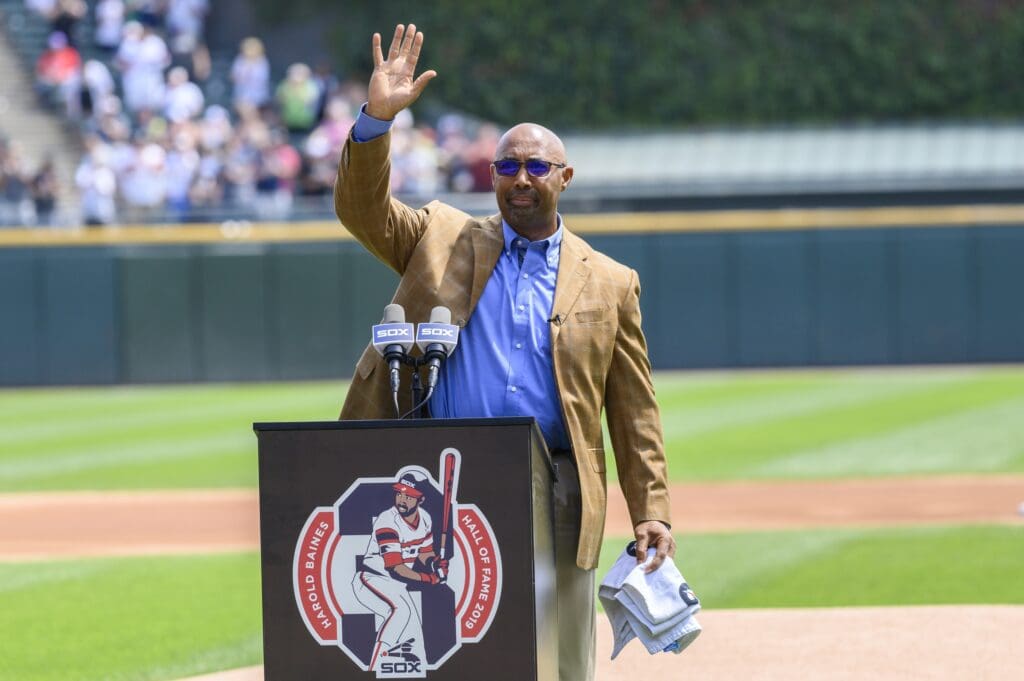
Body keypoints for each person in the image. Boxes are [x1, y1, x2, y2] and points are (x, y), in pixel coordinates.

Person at [334, 24, 674, 681]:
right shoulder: (440, 236)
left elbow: (634, 414)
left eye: (536, 166)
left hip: (559, 479)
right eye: (508, 166)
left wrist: (651, 509)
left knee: (562, 648)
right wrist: (376, 122)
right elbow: (360, 208)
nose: (521, 178)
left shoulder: (609, 281)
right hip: (443, 477)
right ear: (493, 175)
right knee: (450, 643)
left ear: (565, 177)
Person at [352, 473, 448, 673]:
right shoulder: (387, 520)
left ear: (420, 499)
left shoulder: (426, 519)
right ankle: (373, 669)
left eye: (409, 496)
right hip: (370, 580)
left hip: (395, 586)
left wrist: (434, 563)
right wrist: (429, 578)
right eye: (400, 494)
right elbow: (396, 568)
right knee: (401, 612)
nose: (402, 500)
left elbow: (425, 553)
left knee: (414, 635)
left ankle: (406, 670)